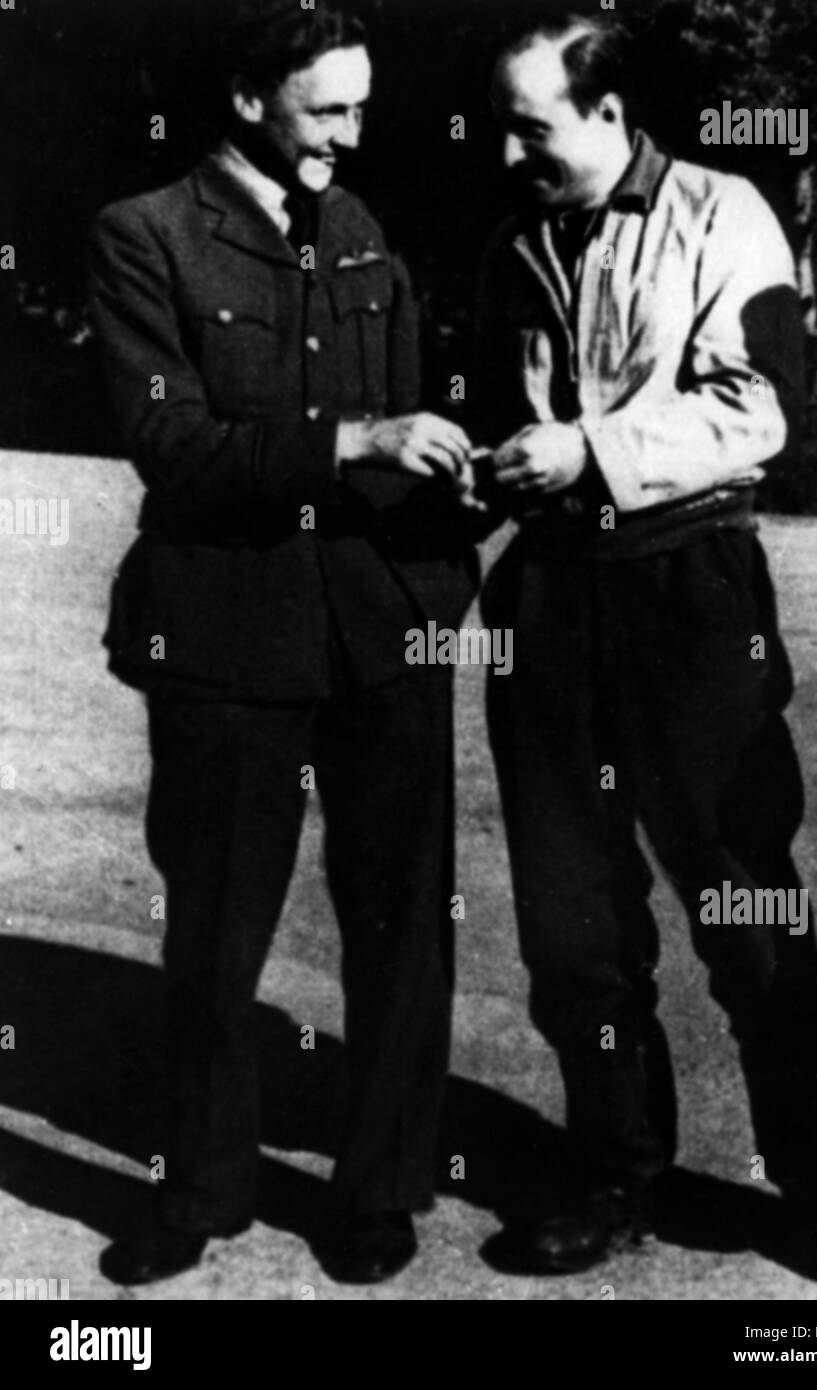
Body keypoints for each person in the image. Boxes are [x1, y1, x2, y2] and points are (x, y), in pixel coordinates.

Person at [470, 13, 817, 1278]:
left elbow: (765, 406)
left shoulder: (725, 214)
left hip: (688, 597)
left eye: (529, 126)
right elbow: (506, 412)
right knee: (574, 926)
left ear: (607, 115)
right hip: (551, 605)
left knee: (746, 904)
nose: (504, 150)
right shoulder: (521, 240)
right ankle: (615, 1175)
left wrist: (590, 449)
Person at [88, 0, 476, 1287]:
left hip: (379, 630)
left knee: (403, 926)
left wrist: (445, 539)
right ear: (252, 99)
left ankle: (381, 1187)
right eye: (330, 110)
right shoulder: (145, 237)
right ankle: (199, 1186)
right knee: (214, 929)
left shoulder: (357, 228)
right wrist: (346, 443)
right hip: (224, 633)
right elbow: (174, 447)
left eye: (362, 108)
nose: (351, 138)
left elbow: (406, 404)